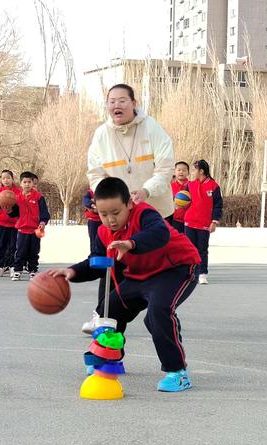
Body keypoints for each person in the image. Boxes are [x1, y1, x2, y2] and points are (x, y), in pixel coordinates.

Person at [48, 177, 201, 392]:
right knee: (107, 311)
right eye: (103, 214)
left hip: (176, 269)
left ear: (129, 203)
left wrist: (131, 243)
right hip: (140, 275)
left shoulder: (145, 214)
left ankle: (177, 373)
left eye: (116, 213)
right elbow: (99, 262)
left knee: (158, 313)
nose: (110, 220)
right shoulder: (103, 232)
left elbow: (160, 234)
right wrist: (72, 271)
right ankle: (110, 361)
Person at [82, 83, 175, 334]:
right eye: (111, 101)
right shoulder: (102, 134)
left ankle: (167, 334)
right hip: (120, 217)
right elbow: (95, 173)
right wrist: (108, 199)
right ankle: (106, 342)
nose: (116, 105)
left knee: (160, 284)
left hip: (156, 216)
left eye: (122, 100)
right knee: (112, 276)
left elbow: (166, 168)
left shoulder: (152, 128)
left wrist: (145, 192)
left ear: (134, 103)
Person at [184, 159, 223, 285]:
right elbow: (183, 201)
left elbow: (218, 205)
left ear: (201, 171)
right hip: (189, 223)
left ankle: (202, 274)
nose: (192, 172)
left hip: (204, 224)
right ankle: (190, 274)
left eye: (195, 169)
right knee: (190, 249)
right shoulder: (189, 185)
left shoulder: (214, 186)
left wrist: (214, 222)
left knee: (202, 250)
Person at [9, 171, 50, 281]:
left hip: (35, 230)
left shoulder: (39, 197)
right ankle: (17, 271)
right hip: (22, 229)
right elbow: (14, 213)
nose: (27, 184)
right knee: (20, 252)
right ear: (20, 183)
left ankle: (33, 271)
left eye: (29, 182)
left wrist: (42, 223)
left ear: (33, 183)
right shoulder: (17, 198)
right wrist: (8, 209)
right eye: (24, 182)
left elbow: (44, 212)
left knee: (34, 252)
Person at [0, 169, 20, 278]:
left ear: (12, 179)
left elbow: (19, 207)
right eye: (3, 178)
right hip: (1, 223)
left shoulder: (18, 191)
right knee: (0, 246)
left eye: (8, 178)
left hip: (14, 224)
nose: (6, 180)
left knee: (13, 247)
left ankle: (12, 267)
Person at [170, 161, 190, 233]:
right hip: (174, 221)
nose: (181, 172)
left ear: (188, 172)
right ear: (174, 172)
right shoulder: (169, 186)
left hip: (189, 222)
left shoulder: (193, 186)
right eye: (179, 170)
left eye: (184, 170)